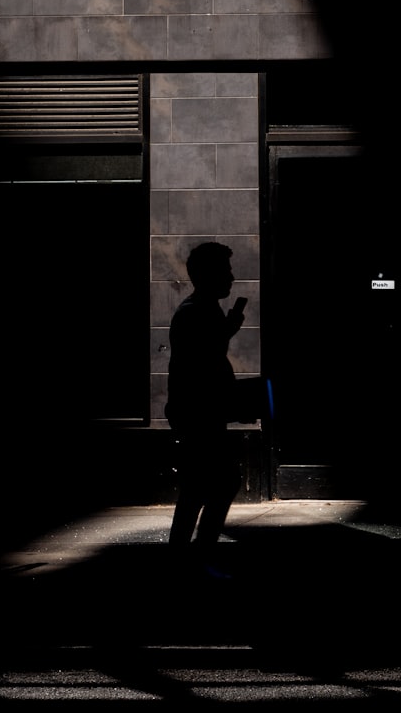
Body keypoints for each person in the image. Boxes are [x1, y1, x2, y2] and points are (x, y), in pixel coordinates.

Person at [165, 242, 246, 577]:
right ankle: (193, 556)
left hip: (201, 415)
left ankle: (189, 556)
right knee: (212, 485)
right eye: (224, 270)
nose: (231, 277)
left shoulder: (203, 309)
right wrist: (225, 332)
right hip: (198, 417)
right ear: (206, 274)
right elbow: (200, 365)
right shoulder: (195, 311)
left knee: (202, 487)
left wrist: (225, 330)